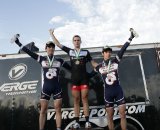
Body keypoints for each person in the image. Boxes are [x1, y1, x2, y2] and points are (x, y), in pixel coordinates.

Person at [11, 34, 71, 130]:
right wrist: (18, 43)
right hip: (46, 88)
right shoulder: (41, 59)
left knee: (58, 110)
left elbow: (73, 69)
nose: (50, 48)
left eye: (52, 47)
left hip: (57, 88)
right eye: (49, 47)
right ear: (46, 48)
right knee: (43, 111)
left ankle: (59, 128)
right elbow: (29, 52)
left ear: (54, 49)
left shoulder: (60, 60)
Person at [49, 29, 97, 129]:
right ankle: (77, 122)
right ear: (73, 42)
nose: (76, 42)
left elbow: (93, 63)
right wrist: (51, 34)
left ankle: (87, 122)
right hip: (74, 79)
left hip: (84, 79)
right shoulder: (70, 51)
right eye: (75, 40)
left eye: (78, 40)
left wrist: (100, 66)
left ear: (80, 41)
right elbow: (58, 44)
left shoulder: (85, 52)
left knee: (84, 99)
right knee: (76, 100)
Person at [94, 29, 137, 130]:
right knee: (109, 117)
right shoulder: (99, 67)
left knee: (122, 115)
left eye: (109, 52)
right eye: (106, 52)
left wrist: (130, 38)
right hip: (108, 93)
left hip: (118, 91)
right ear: (102, 53)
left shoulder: (115, 61)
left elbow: (123, 50)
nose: (108, 53)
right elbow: (91, 68)